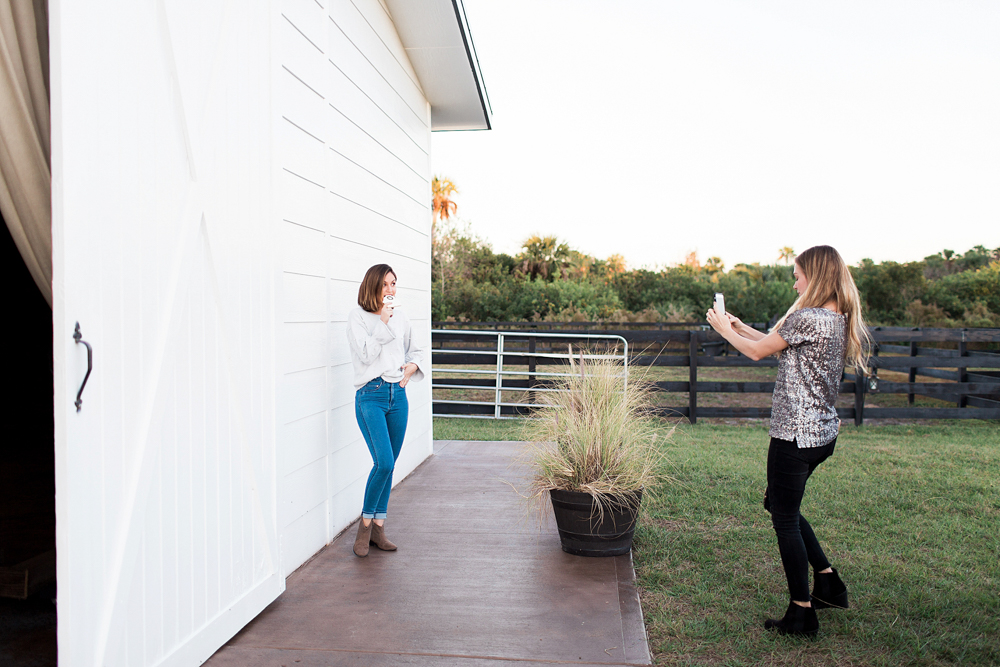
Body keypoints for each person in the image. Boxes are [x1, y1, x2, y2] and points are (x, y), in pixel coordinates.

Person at [706, 245, 870, 637]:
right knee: (780, 504)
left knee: (783, 516)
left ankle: (802, 611)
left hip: (794, 435)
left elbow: (757, 353)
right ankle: (829, 584)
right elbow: (771, 341)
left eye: (797, 275)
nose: (794, 281)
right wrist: (740, 325)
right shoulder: (834, 318)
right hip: (821, 434)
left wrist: (723, 330)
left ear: (814, 276)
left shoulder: (807, 317)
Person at [346, 264, 424, 557]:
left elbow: (414, 350)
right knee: (384, 463)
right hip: (371, 396)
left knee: (390, 463)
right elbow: (366, 353)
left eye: (394, 284)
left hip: (397, 395)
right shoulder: (358, 317)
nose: (391, 290)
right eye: (385, 285)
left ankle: (379, 526)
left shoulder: (401, 317)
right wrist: (382, 322)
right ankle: (365, 525)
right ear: (373, 286)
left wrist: (413, 366)